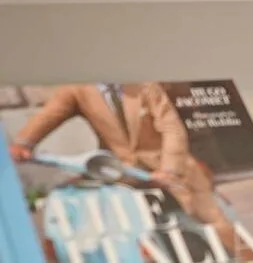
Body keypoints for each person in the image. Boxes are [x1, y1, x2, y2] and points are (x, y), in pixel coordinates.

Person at [8, 82, 240, 258]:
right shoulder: (78, 89)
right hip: (121, 172)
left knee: (210, 219)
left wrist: (169, 170)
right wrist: (24, 143)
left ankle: (236, 256)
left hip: (171, 168)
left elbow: (172, 130)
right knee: (129, 229)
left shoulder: (145, 86)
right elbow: (50, 114)